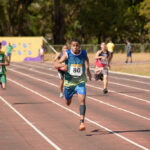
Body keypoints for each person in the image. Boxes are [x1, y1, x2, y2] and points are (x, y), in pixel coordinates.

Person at [53, 39, 92, 131]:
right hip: (69, 83)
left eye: (77, 45)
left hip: (80, 81)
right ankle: (67, 98)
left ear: (79, 46)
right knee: (68, 103)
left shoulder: (83, 53)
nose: (75, 47)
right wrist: (62, 66)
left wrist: (88, 69)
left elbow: (86, 59)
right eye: (73, 45)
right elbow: (56, 64)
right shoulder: (67, 54)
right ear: (71, 47)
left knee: (82, 99)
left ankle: (82, 122)